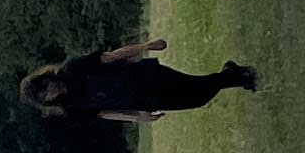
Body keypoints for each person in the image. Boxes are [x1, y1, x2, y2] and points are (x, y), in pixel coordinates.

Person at [19, 41, 258, 122]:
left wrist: (146, 46)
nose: (49, 91)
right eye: (44, 95)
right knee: (197, 99)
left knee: (196, 86)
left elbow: (111, 56)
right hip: (143, 99)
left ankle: (242, 76)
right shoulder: (71, 108)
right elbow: (105, 113)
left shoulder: (73, 67)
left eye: (45, 85)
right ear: (47, 101)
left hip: (144, 76)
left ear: (46, 77)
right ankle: (232, 73)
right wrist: (137, 117)